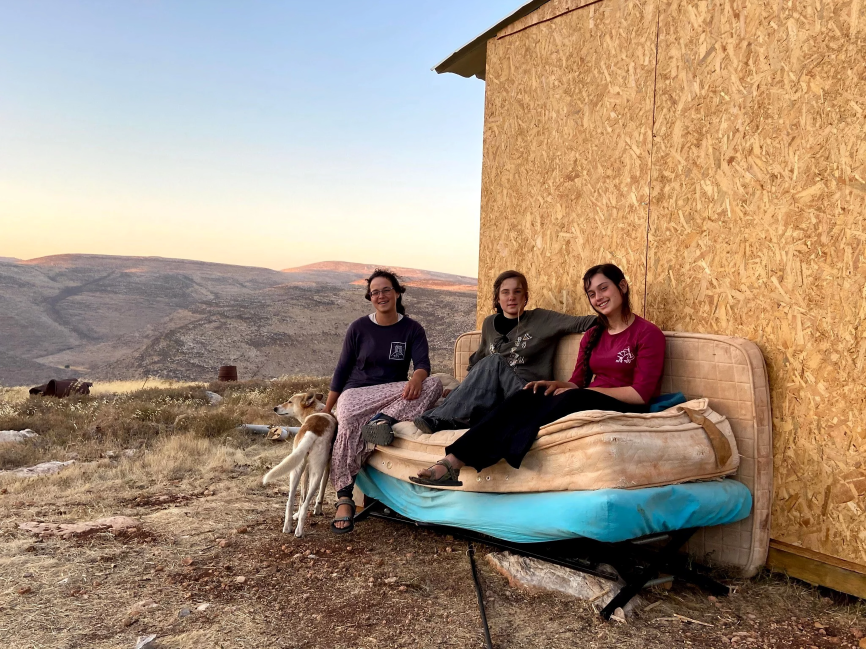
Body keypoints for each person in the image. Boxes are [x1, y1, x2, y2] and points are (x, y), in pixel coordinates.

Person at [410, 263, 665, 487]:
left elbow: (640, 394)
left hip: (624, 404)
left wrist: (584, 391)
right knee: (528, 393)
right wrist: (552, 384)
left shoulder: (647, 333)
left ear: (622, 286)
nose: (598, 297)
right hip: (587, 396)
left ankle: (502, 446)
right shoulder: (593, 335)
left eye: (603, 288)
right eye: (591, 293)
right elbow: (577, 382)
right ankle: (451, 462)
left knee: (567, 399)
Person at [324, 269, 442, 532]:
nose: (381, 296)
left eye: (386, 290)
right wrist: (327, 409)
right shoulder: (358, 328)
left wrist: (417, 378)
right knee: (347, 418)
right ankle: (344, 497)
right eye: (375, 292)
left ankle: (381, 422)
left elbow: (423, 365)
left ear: (397, 293)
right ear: (370, 297)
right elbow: (342, 370)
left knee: (434, 384)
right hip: (358, 393)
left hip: (393, 393)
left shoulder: (412, 328)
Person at [413, 270, 596, 434]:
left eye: (517, 292)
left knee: (495, 361)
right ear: (498, 298)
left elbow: (584, 322)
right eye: (505, 292)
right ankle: (447, 420)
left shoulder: (542, 319)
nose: (511, 297)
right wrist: (463, 389)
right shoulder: (489, 323)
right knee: (480, 380)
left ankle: (436, 418)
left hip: (526, 392)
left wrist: (611, 322)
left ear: (525, 297)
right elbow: (478, 362)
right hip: (497, 396)